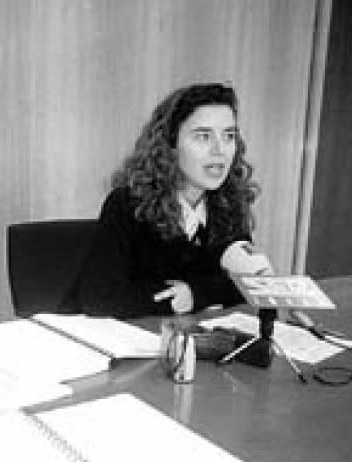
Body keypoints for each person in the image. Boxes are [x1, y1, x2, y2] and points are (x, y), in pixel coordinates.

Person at [66, 83, 272, 319]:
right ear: (170, 144)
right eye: (203, 136)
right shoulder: (128, 204)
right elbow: (100, 298)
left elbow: (245, 282)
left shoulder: (227, 204)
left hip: (182, 334)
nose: (219, 150)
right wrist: (179, 300)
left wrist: (195, 294)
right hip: (107, 333)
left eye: (229, 136)